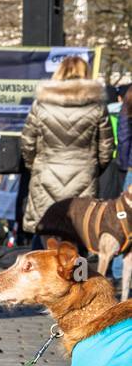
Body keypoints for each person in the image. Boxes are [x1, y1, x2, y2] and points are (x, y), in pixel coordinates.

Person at [21, 56, 114, 244]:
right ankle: (76, 273)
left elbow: (27, 142)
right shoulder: (97, 106)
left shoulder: (41, 104)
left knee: (44, 231)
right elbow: (106, 147)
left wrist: (36, 166)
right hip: (83, 175)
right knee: (78, 235)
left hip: (46, 174)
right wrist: (94, 168)